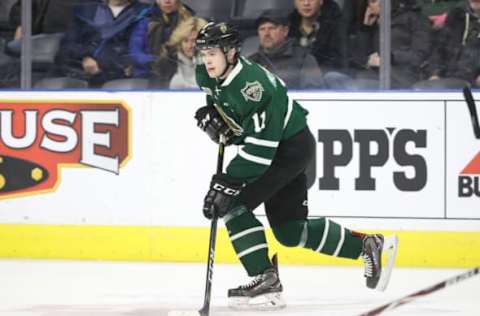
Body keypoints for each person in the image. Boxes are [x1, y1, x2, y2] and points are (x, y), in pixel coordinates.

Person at [193, 22, 399, 309]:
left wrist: (226, 182)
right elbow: (225, 107)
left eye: (213, 53)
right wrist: (218, 121)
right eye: (204, 53)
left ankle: (264, 280)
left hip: (289, 149)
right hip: (283, 146)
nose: (207, 60)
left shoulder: (253, 87)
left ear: (231, 52)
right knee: (290, 231)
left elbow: (261, 150)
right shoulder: (207, 73)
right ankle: (366, 245)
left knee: (232, 204)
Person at [54, 0, 148, 87]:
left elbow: (135, 50)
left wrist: (102, 65)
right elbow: (67, 45)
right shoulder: (86, 11)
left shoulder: (143, 13)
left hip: (117, 77)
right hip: (78, 72)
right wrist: (85, 57)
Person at [248, 10, 324, 89]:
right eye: (262, 29)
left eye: (272, 28)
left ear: (285, 31)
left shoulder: (304, 59)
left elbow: (312, 95)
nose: (266, 33)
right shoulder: (250, 63)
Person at [128, 0, 194, 86]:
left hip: (182, 73)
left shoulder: (190, 21)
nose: (167, 1)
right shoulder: (145, 21)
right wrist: (153, 62)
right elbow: (135, 51)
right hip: (147, 75)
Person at [288, 0, 345, 73]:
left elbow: (340, 62)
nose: (306, 3)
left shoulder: (336, 26)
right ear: (295, 3)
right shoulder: (287, 26)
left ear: (321, 1)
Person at [166, 16, 207, 89]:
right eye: (185, 41)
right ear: (179, 41)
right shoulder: (168, 63)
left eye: (193, 41)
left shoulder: (211, 62)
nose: (189, 46)